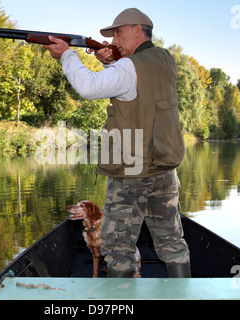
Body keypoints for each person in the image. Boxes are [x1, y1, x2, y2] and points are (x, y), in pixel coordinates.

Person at [44, 8, 191, 278]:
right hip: (164, 167)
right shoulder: (165, 60)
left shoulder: (130, 66)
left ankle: (119, 305)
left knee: (118, 248)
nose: (114, 40)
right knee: (173, 244)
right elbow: (133, 89)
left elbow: (89, 87)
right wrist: (110, 63)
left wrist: (67, 55)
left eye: (118, 32)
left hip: (131, 170)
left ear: (137, 29)